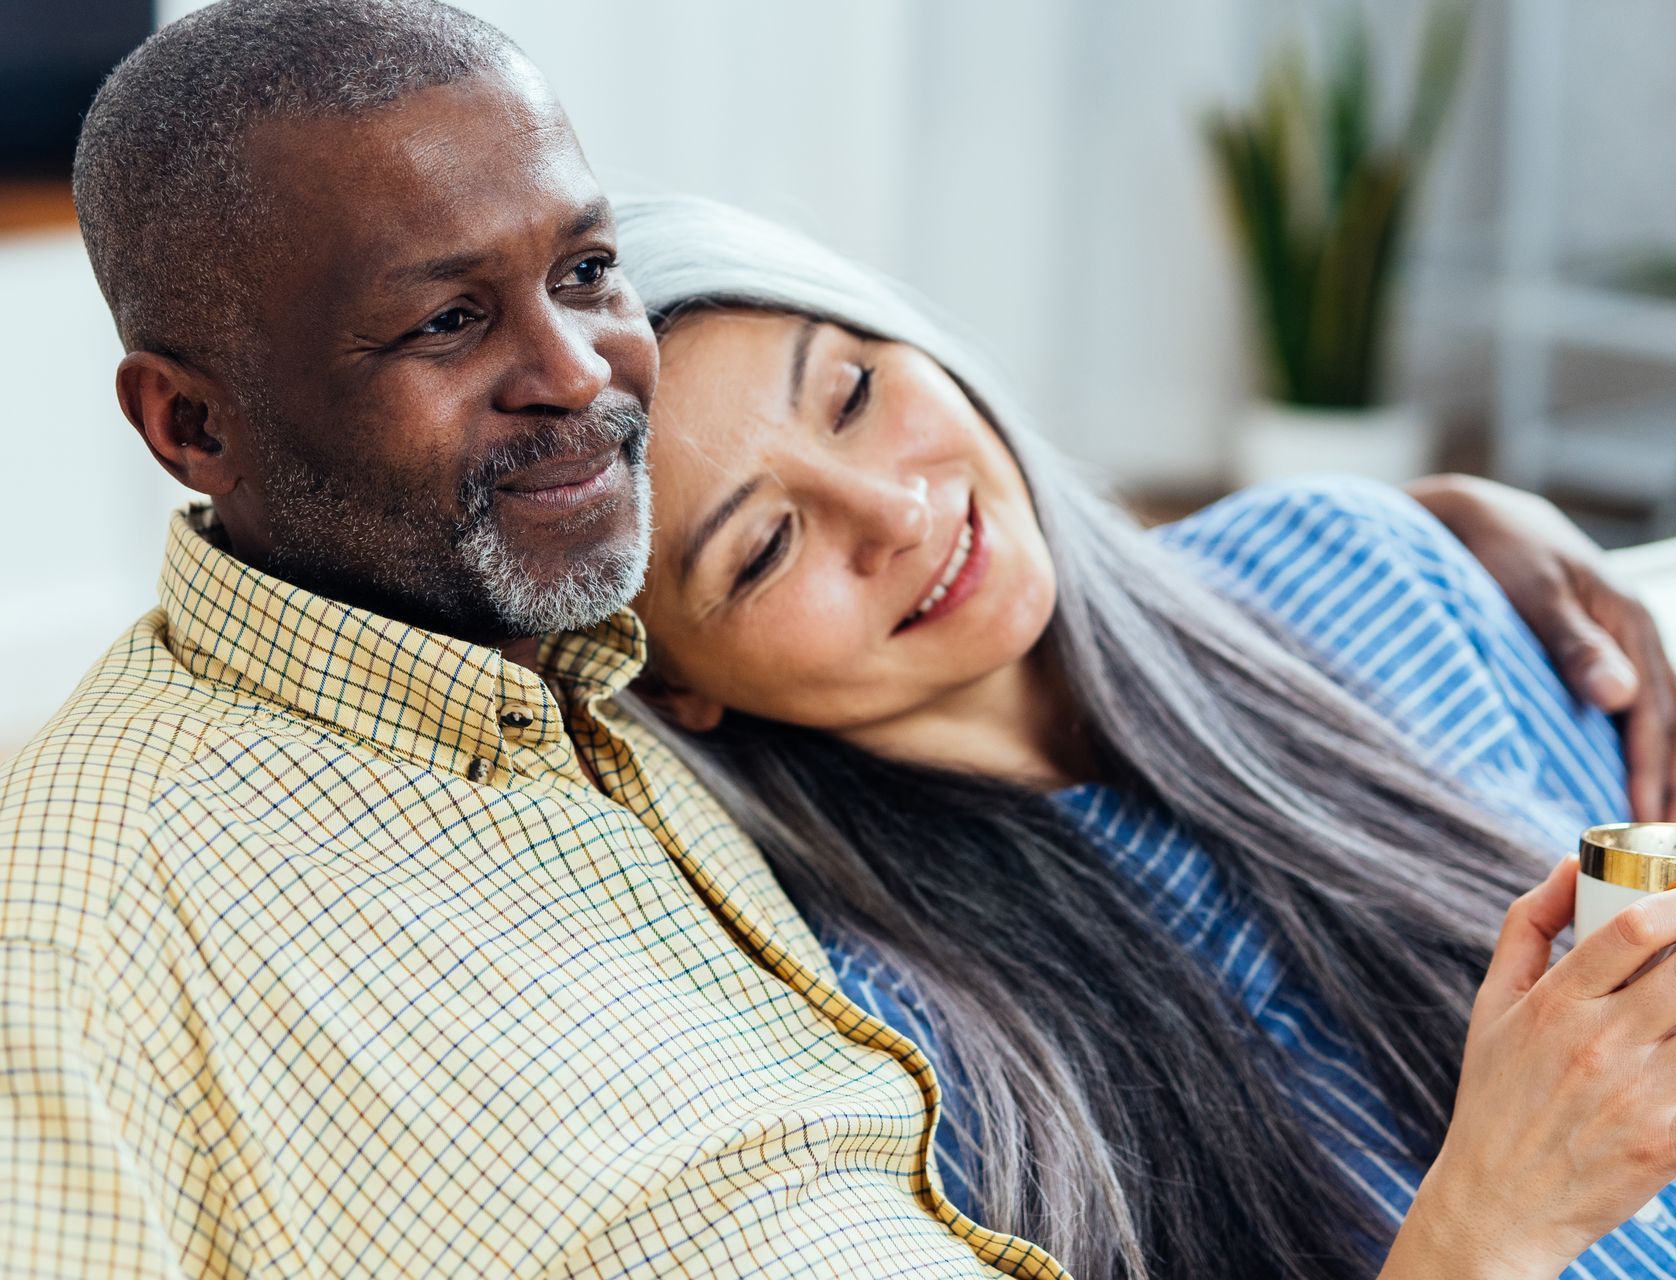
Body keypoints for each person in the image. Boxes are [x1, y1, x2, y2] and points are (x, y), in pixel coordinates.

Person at [612, 194, 1676, 1280]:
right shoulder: (866, 1030)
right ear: (673, 685)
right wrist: (1492, 1219)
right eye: (766, 546)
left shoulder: (1366, 569)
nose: (893, 509)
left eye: (850, 392)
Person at [3, 4, 1076, 1276]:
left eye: (584, 272)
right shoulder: (84, 919)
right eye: (447, 322)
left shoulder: (615, 683)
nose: (578, 372)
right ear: (191, 423)